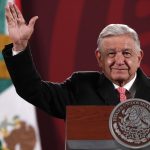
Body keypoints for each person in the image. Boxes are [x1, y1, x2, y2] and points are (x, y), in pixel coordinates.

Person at [2, 3, 150, 120]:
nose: (119, 61)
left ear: (139, 57)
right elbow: (32, 89)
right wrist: (20, 46)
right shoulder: (80, 87)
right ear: (99, 58)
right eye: (111, 53)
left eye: (126, 53)